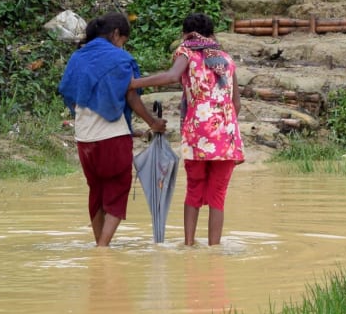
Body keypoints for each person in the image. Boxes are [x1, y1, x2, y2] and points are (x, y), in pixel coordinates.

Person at [132, 13, 244, 247]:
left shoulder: (187, 53)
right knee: (218, 197)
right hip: (226, 136)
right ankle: (214, 249)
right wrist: (223, 126)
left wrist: (133, 83)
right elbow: (237, 105)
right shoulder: (226, 59)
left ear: (185, 34)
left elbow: (172, 76)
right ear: (212, 34)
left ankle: (189, 245)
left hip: (198, 134)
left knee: (194, 191)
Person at [58, 13, 164, 247]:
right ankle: (102, 248)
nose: (122, 45)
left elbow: (70, 91)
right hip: (112, 139)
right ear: (117, 34)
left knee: (96, 191)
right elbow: (131, 97)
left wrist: (130, 129)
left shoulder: (78, 57)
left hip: (84, 139)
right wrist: (153, 124)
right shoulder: (120, 59)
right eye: (123, 40)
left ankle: (99, 242)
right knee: (117, 190)